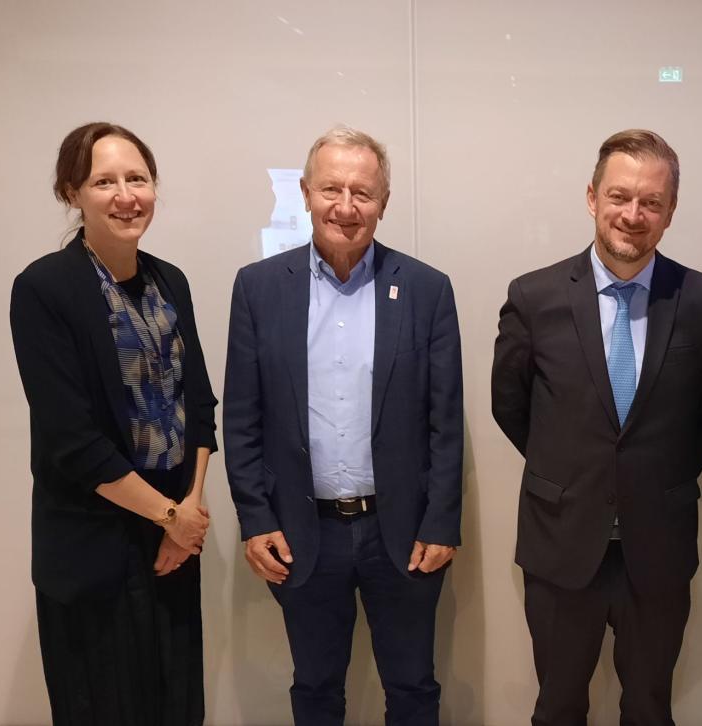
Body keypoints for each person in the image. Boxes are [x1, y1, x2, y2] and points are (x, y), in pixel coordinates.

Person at [492, 129, 702, 725]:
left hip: (658, 544)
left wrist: (645, 475)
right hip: (561, 541)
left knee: (651, 708)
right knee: (556, 708)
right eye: (620, 197)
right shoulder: (534, 297)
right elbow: (512, 406)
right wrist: (577, 469)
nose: (633, 215)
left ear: (670, 211)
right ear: (592, 197)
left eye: (651, 202)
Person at [223, 126, 463, 726]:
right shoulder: (257, 289)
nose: (347, 207)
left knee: (412, 686)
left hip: (402, 529)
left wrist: (440, 521)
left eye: (363, 192)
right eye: (332, 189)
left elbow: (446, 421)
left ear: (384, 202)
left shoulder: (427, 290)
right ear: (305, 193)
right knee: (315, 687)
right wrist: (256, 519)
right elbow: (242, 416)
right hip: (305, 533)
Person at [10, 122, 218, 726]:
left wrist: (190, 510)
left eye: (138, 178)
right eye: (105, 181)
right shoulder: (44, 289)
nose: (126, 195)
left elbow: (201, 404)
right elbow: (72, 440)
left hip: (170, 543)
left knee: (176, 704)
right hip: (95, 547)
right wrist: (172, 516)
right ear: (72, 192)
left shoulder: (168, 280)